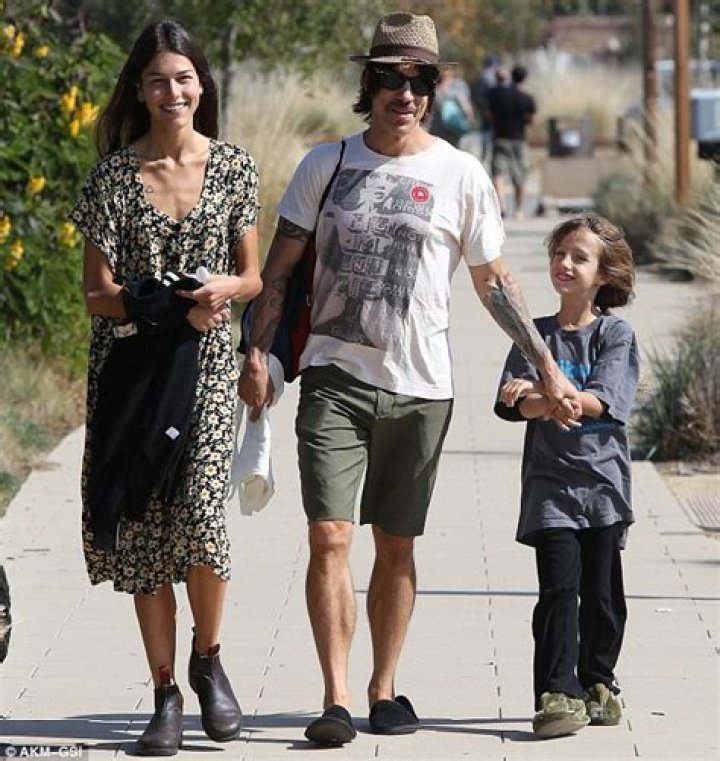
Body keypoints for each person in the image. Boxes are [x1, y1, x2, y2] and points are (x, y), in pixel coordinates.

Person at [238, 12, 578, 747]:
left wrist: (547, 367)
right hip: (334, 378)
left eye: (420, 79)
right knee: (329, 535)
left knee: (395, 546)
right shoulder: (325, 164)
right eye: (391, 78)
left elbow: (494, 283)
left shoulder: (461, 174)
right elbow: (279, 273)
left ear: (433, 88)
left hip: (422, 388)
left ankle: (383, 688)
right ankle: (335, 697)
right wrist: (256, 355)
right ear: (370, 84)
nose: (406, 93)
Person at [70, 19, 261, 756]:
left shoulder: (235, 167)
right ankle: (165, 693)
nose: (172, 91)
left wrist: (224, 290)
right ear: (140, 90)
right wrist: (169, 304)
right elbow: (96, 296)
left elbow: (250, 275)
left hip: (205, 370)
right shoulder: (113, 178)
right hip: (132, 373)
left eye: (183, 78)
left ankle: (208, 659)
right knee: (146, 528)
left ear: (201, 85)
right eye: (157, 80)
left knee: (202, 519)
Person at [494, 215, 639, 739]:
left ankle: (598, 681)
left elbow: (602, 401)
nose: (565, 264)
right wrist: (541, 399)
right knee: (558, 590)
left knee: (601, 597)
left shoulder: (614, 335)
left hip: (602, 489)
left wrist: (542, 394)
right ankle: (556, 692)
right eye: (559, 254)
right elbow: (510, 406)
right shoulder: (534, 337)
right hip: (549, 488)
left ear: (605, 273)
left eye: (580, 257)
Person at [487, 64, 536, 219]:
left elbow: (489, 114)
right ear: (524, 78)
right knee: (520, 176)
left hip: (500, 138)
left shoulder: (497, 94)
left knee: (498, 174)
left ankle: (501, 206)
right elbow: (532, 120)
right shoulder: (527, 98)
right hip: (519, 140)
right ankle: (519, 210)